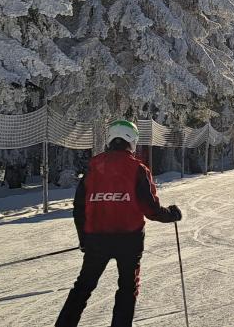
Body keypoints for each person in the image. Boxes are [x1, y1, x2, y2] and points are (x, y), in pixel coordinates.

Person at [56, 120, 182, 327]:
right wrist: (171, 214)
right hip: (129, 240)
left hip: (97, 239)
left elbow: (79, 208)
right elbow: (150, 209)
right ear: (132, 141)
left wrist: (84, 238)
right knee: (127, 288)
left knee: (83, 287)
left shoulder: (94, 167)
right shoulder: (137, 168)